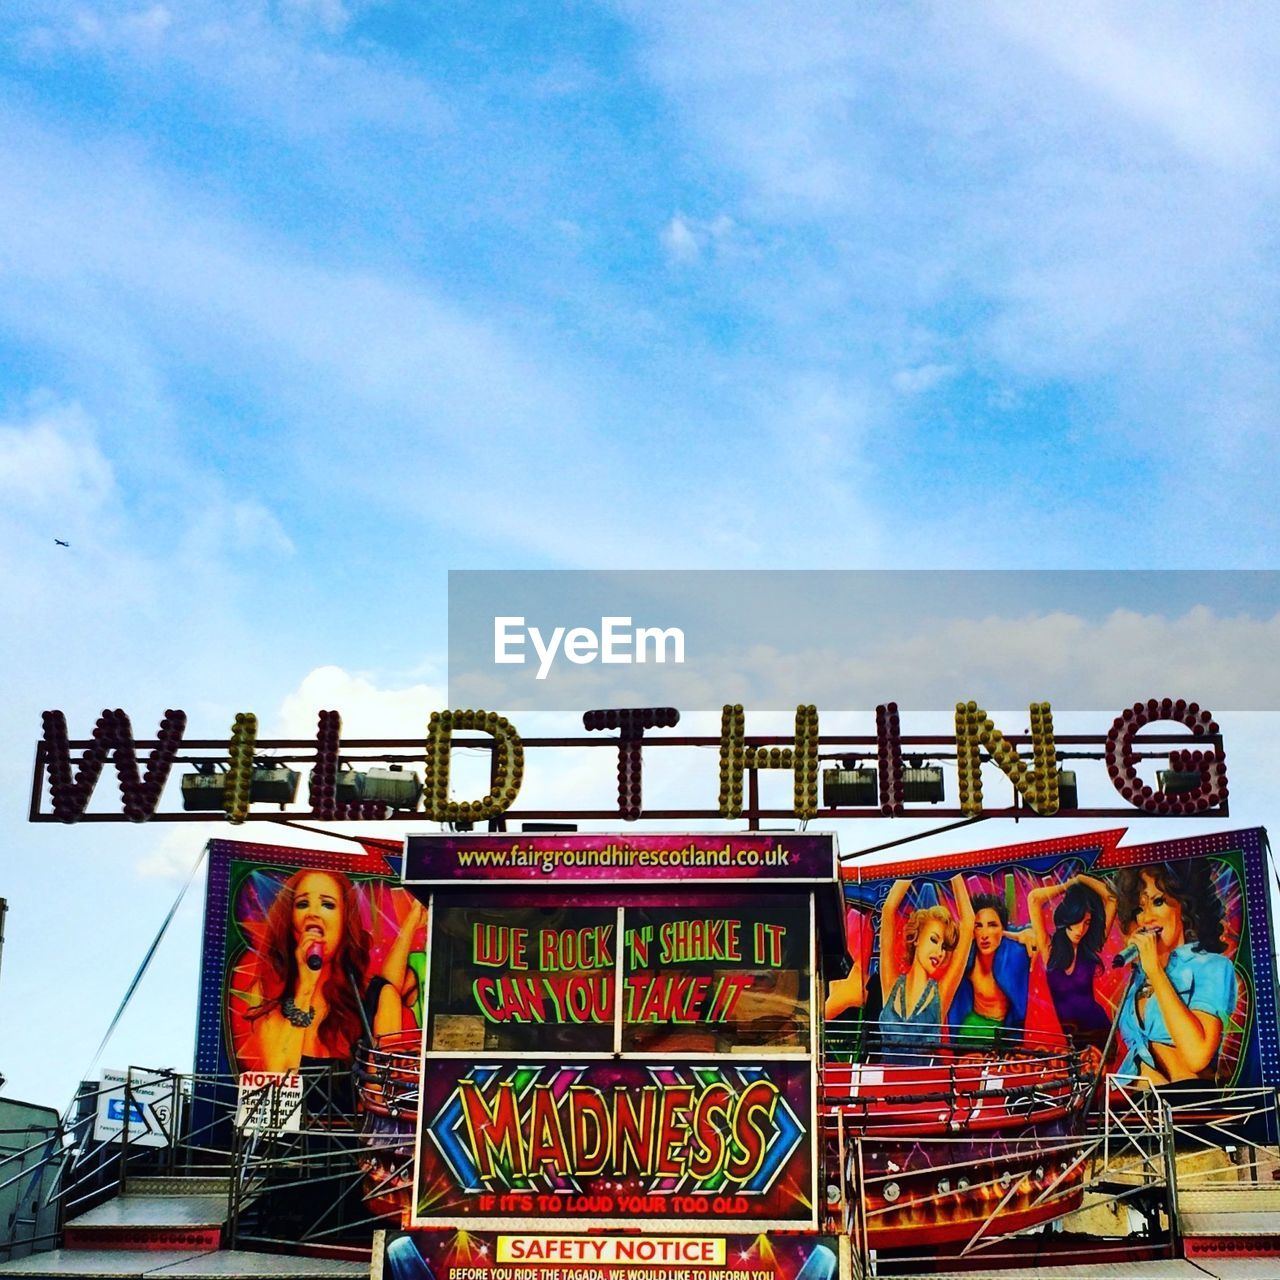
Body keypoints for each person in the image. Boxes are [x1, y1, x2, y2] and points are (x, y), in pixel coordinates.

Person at [241, 869, 426, 1073]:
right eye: (302, 904)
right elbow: (278, 1080)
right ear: (290, 918)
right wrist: (305, 988)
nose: (313, 913)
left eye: (327, 904)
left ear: (344, 921)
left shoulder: (376, 998)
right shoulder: (269, 991)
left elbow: (377, 1094)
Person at [1113, 860, 1236, 1086]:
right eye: (1140, 909)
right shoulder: (1137, 978)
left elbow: (1197, 1056)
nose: (1147, 917)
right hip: (1135, 1108)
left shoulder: (1212, 966)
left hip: (1187, 1105)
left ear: (1185, 907)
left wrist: (1156, 973)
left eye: (1158, 902)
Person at [877, 874, 974, 1053]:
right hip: (885, 1079)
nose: (940, 952)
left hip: (924, 1079)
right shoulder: (891, 984)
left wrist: (954, 868)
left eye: (944, 946)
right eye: (934, 940)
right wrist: (911, 867)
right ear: (917, 938)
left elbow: (968, 923)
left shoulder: (941, 994)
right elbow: (888, 909)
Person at [1027, 874, 1116, 1051]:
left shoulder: (1089, 947)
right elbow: (1034, 899)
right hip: (1071, 1035)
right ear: (1068, 918)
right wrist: (1068, 884)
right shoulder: (1049, 948)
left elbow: (1112, 899)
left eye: (1087, 923)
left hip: (1099, 1029)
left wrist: (1083, 878)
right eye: (1076, 921)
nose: (1080, 930)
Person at [948, 893, 1034, 1048]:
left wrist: (1022, 934)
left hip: (1006, 1033)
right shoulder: (966, 958)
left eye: (992, 925)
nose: (984, 935)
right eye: (978, 926)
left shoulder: (1015, 954)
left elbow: (1040, 939)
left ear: (1003, 928)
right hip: (972, 1031)